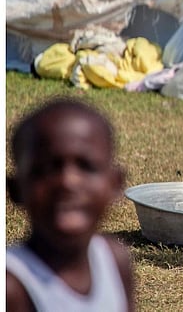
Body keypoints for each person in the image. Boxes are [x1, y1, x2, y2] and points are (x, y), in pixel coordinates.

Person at [6, 98, 135, 312]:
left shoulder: (114, 261)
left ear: (115, 184)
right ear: (16, 190)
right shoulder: (11, 287)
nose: (68, 182)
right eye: (48, 169)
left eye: (86, 167)